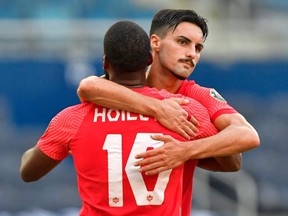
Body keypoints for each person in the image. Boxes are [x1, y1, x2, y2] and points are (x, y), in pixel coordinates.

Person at [20, 20, 220, 216]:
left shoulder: (72, 119)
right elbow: (231, 162)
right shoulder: (183, 111)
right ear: (149, 60)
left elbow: (28, 172)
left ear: (105, 63)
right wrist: (186, 151)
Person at [77, 9, 260, 214]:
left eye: (198, 48)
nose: (192, 53)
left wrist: (185, 151)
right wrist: (158, 108)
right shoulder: (124, 85)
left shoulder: (197, 96)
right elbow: (88, 87)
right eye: (182, 42)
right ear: (155, 42)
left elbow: (245, 138)